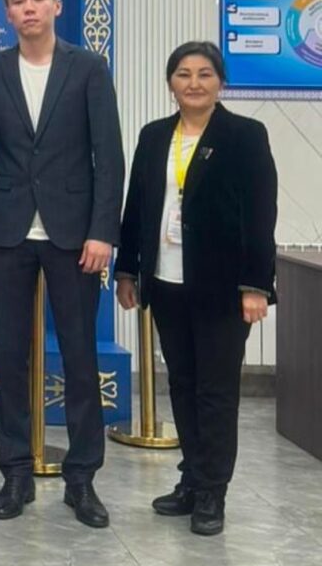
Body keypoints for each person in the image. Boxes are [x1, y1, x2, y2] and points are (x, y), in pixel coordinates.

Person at [0, 0, 123, 528]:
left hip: (75, 234)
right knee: (9, 357)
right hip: (7, 232)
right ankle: (15, 470)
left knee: (80, 358)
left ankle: (81, 478)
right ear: (7, 13)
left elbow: (109, 155)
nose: (29, 8)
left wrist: (102, 231)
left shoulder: (88, 68)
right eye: (18, 1)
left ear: (57, 6)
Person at [115, 41, 276, 536]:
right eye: (183, 74)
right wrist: (127, 269)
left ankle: (212, 492)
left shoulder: (244, 135)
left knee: (216, 391)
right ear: (171, 83)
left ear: (220, 82)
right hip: (167, 282)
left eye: (205, 74)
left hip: (223, 288)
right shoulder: (154, 135)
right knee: (182, 384)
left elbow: (261, 213)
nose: (194, 83)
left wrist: (256, 285)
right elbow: (137, 206)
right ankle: (191, 477)